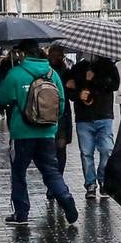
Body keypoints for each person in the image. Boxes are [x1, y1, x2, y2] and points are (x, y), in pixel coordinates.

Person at [0, 40, 79, 226]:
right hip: (47, 132)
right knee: (51, 171)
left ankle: (21, 213)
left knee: (19, 173)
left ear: (23, 54)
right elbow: (62, 103)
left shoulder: (16, 73)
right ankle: (66, 199)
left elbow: (2, 97)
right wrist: (53, 125)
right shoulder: (52, 74)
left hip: (21, 133)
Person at [67, 55, 120, 199]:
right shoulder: (78, 68)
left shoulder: (108, 66)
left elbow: (115, 84)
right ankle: (90, 184)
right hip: (84, 117)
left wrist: (94, 79)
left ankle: (103, 179)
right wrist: (78, 94)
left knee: (107, 149)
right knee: (86, 153)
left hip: (104, 115)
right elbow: (70, 89)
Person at [47, 45, 74, 177]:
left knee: (60, 149)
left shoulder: (65, 71)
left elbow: (72, 95)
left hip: (62, 116)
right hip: (50, 114)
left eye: (60, 55)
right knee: (54, 150)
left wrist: (72, 87)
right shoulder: (45, 71)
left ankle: (57, 179)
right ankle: (55, 180)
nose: (57, 58)